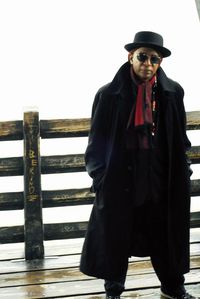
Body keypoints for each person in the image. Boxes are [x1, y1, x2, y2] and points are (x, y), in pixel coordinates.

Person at [80, 31, 196, 299]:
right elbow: (96, 143)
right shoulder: (109, 94)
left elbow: (180, 138)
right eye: (143, 57)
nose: (148, 64)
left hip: (160, 175)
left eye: (154, 59)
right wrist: (100, 177)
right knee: (116, 233)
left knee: (163, 231)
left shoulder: (172, 92)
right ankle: (114, 291)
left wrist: (184, 170)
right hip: (120, 177)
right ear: (131, 56)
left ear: (160, 64)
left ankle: (172, 287)